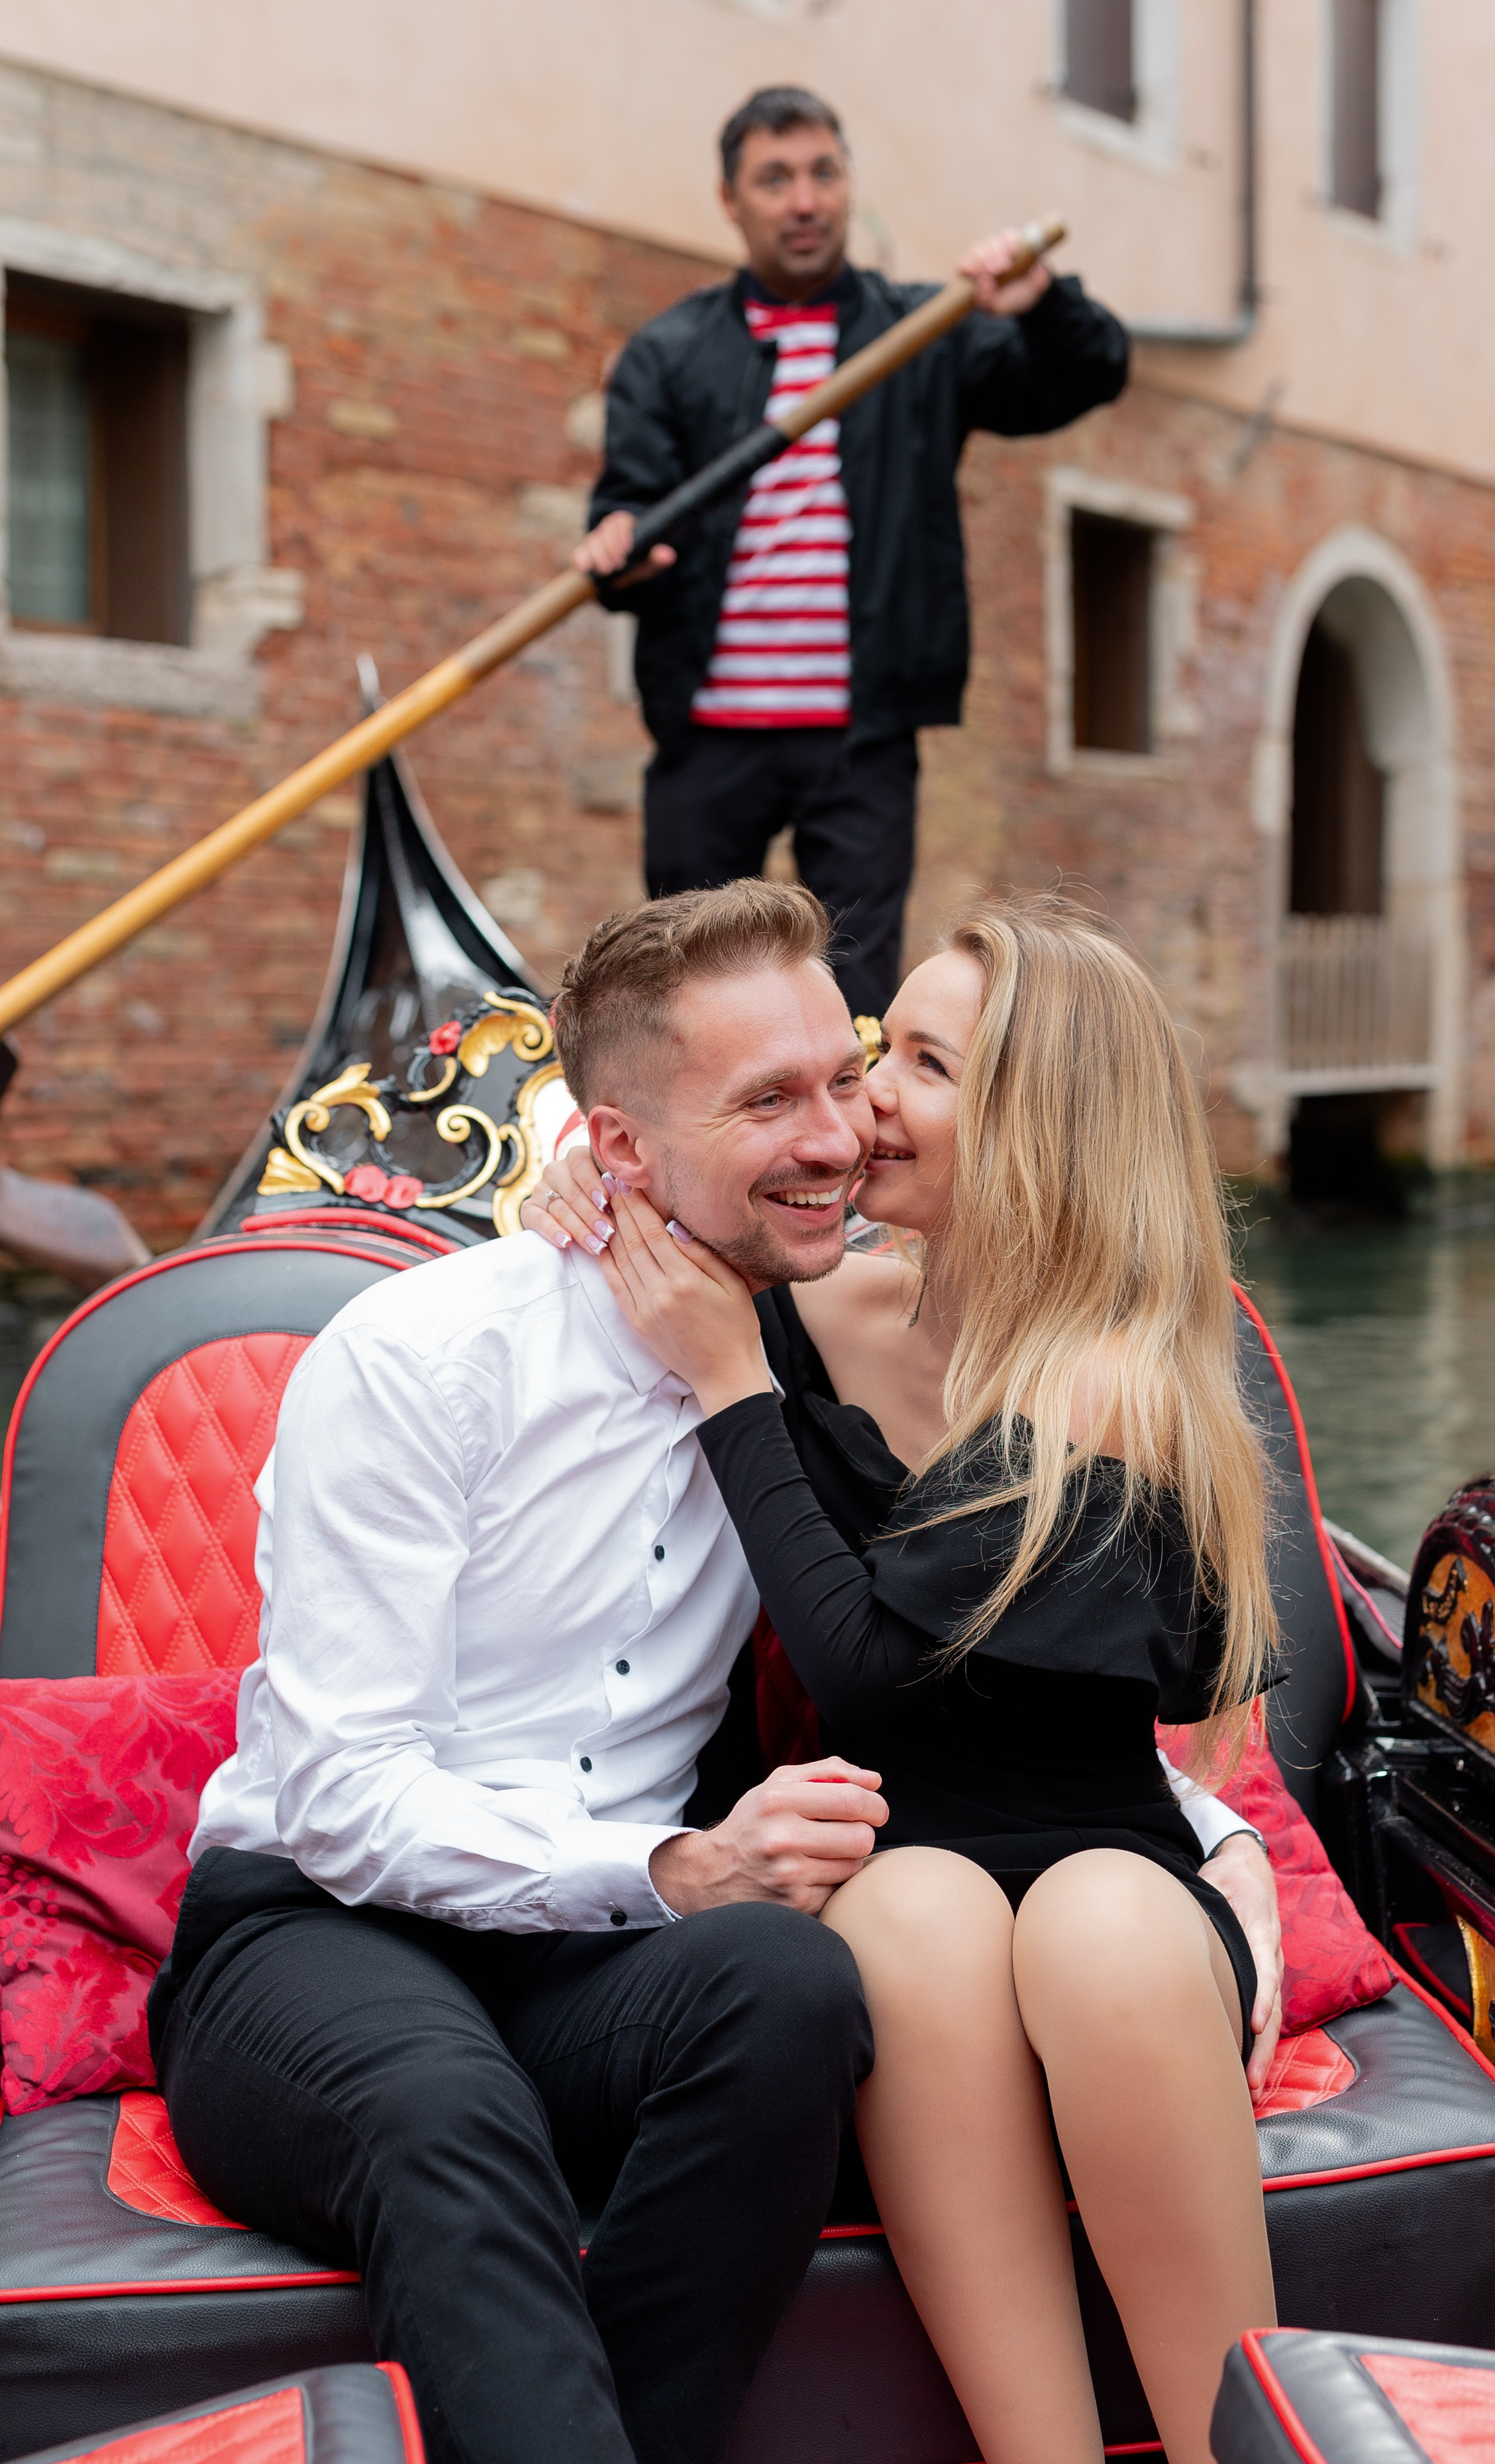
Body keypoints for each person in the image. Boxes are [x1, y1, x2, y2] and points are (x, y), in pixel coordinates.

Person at [522, 892, 1282, 2464]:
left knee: (1094, 1919)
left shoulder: (1109, 1378)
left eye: (917, 1066)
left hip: (1117, 1891)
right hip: (908, 1884)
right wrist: (571, 1181)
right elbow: (646, 1171)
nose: (860, 1105)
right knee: (904, 1901)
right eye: (884, 1050)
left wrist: (733, 1387)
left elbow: (873, 1675)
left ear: (1032, 1124)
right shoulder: (827, 1307)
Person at [149, 883, 895, 2464]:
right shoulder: (424, 1355)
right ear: (615, 1150)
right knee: (443, 2104)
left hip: (589, 1970)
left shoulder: (831, 1345)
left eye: (846, 1075)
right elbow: (341, 1796)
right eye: (767, 1098)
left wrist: (1219, 1832)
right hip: (317, 1928)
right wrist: (672, 1863)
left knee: (791, 1988)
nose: (837, 1135)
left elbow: (999, 1636)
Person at [574, 85, 1129, 1021]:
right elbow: (629, 515)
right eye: (775, 178)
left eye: (824, 174)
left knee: (858, 997)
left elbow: (1088, 374)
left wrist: (1044, 305)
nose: (804, 200)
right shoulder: (665, 354)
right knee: (682, 997)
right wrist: (619, 550)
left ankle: (842, 1168)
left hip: (861, 737)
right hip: (708, 735)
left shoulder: (925, 334)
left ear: (846, 186)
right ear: (731, 200)